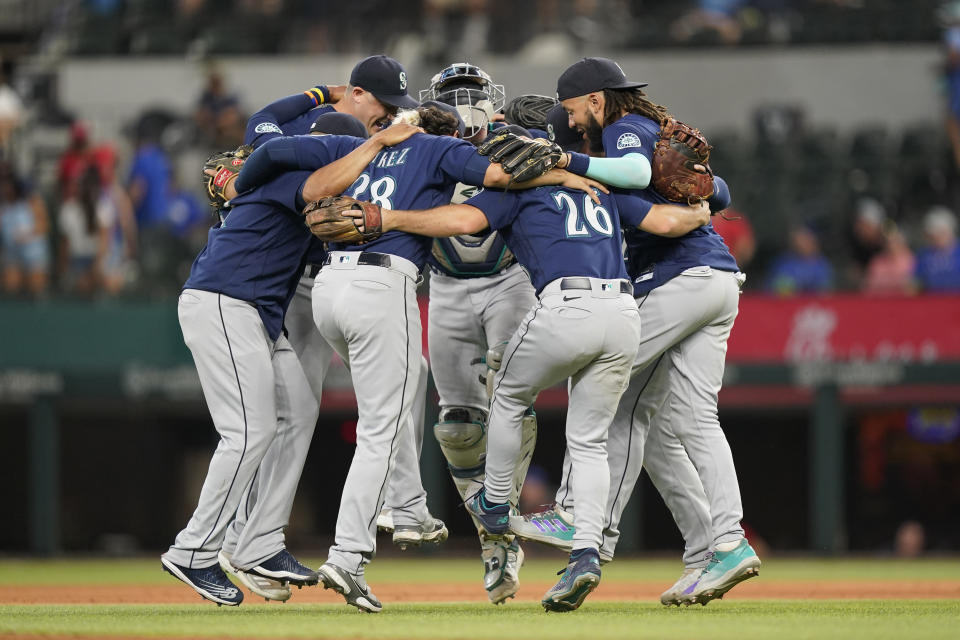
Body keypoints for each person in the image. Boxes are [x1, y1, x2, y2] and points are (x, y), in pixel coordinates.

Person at [239, 104, 603, 612]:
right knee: (383, 425)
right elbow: (498, 174)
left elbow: (286, 161)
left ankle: (409, 505)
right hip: (381, 282)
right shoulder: (441, 149)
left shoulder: (356, 147)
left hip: (327, 287)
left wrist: (240, 183)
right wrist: (566, 170)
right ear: (450, 132)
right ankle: (352, 552)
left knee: (405, 389)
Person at [337, 154, 709, 611]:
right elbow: (665, 221)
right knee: (589, 440)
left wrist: (388, 216)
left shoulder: (516, 191)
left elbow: (461, 219)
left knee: (509, 395)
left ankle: (494, 504)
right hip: (624, 313)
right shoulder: (599, 185)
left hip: (565, 305)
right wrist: (701, 210)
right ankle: (586, 552)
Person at [514, 57, 760, 607]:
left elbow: (654, 203)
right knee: (684, 421)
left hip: (674, 280)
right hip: (717, 281)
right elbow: (716, 189)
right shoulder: (634, 138)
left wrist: (690, 208)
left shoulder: (620, 139)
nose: (574, 123)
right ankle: (720, 545)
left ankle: (581, 520)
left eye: (575, 110)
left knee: (605, 387)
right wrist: (705, 197)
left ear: (596, 100)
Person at [160, 115, 423, 607]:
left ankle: (260, 541)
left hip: (256, 313)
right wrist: (371, 136)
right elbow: (305, 166)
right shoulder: (290, 175)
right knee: (248, 432)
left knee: (299, 411)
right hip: (223, 300)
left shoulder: (302, 184)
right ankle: (194, 549)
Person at [0, 165, 50, 296]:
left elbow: (43, 226)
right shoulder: (4, 206)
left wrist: (27, 235)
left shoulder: (33, 202)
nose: (5, 188)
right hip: (12, 253)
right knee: (10, 286)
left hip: (32, 253)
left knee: (35, 287)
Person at [765, 224, 833, 295]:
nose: (802, 244)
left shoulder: (823, 265)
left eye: (806, 240)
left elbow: (826, 292)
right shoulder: (784, 263)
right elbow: (775, 290)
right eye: (799, 241)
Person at [914, 206, 960, 292]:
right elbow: (916, 281)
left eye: (940, 233)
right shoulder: (924, 254)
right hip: (932, 302)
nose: (936, 238)